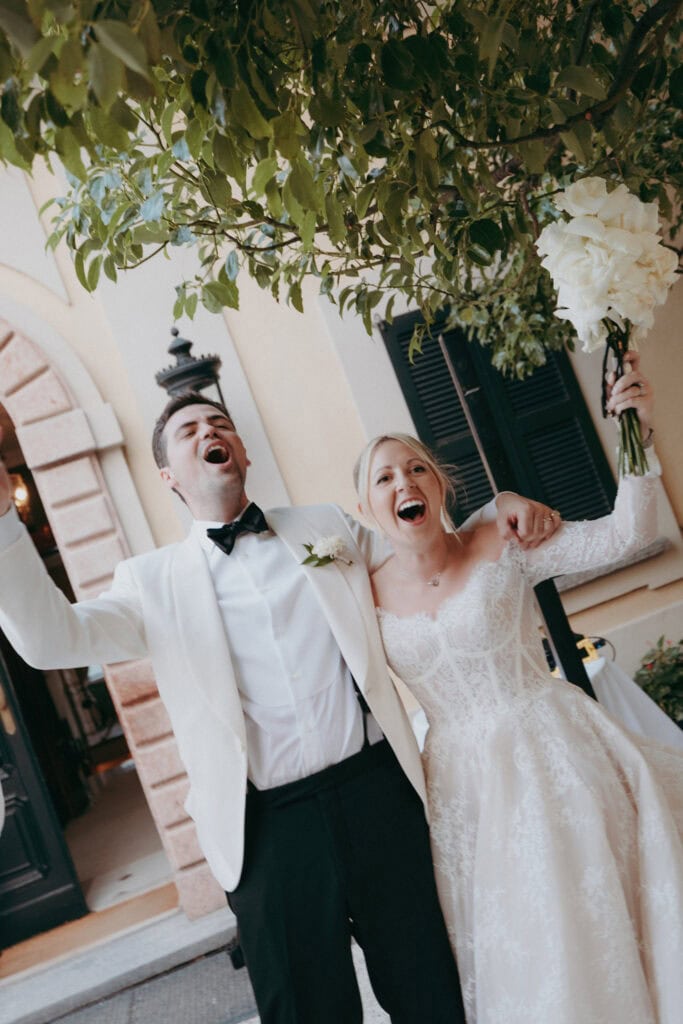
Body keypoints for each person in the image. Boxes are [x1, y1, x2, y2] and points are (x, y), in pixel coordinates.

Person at [0, 394, 560, 1024]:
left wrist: (498, 509)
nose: (209, 432)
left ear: (241, 451)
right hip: (265, 831)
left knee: (433, 990)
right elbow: (51, 641)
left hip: (377, 794)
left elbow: (430, 549)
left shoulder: (328, 528)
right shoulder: (150, 583)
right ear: (168, 477)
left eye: (221, 425)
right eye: (189, 431)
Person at [354, 354, 683, 1024]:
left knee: (592, 915)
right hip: (461, 792)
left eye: (416, 467)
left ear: (440, 484)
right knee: (520, 947)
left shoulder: (502, 540)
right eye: (383, 477)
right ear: (365, 509)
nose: (403, 482)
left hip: (554, 749)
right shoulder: (354, 595)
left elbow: (630, 533)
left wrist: (635, 436)